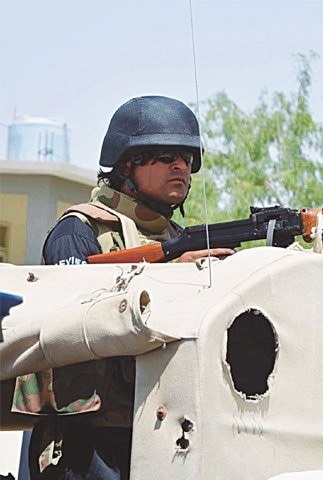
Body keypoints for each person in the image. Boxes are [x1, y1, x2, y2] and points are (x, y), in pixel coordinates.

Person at [13, 95, 234, 480]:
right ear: (127, 163)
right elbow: (75, 321)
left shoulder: (181, 241)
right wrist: (168, 277)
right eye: (166, 155)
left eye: (188, 158)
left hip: (160, 429)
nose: (181, 166)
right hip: (86, 439)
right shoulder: (79, 231)